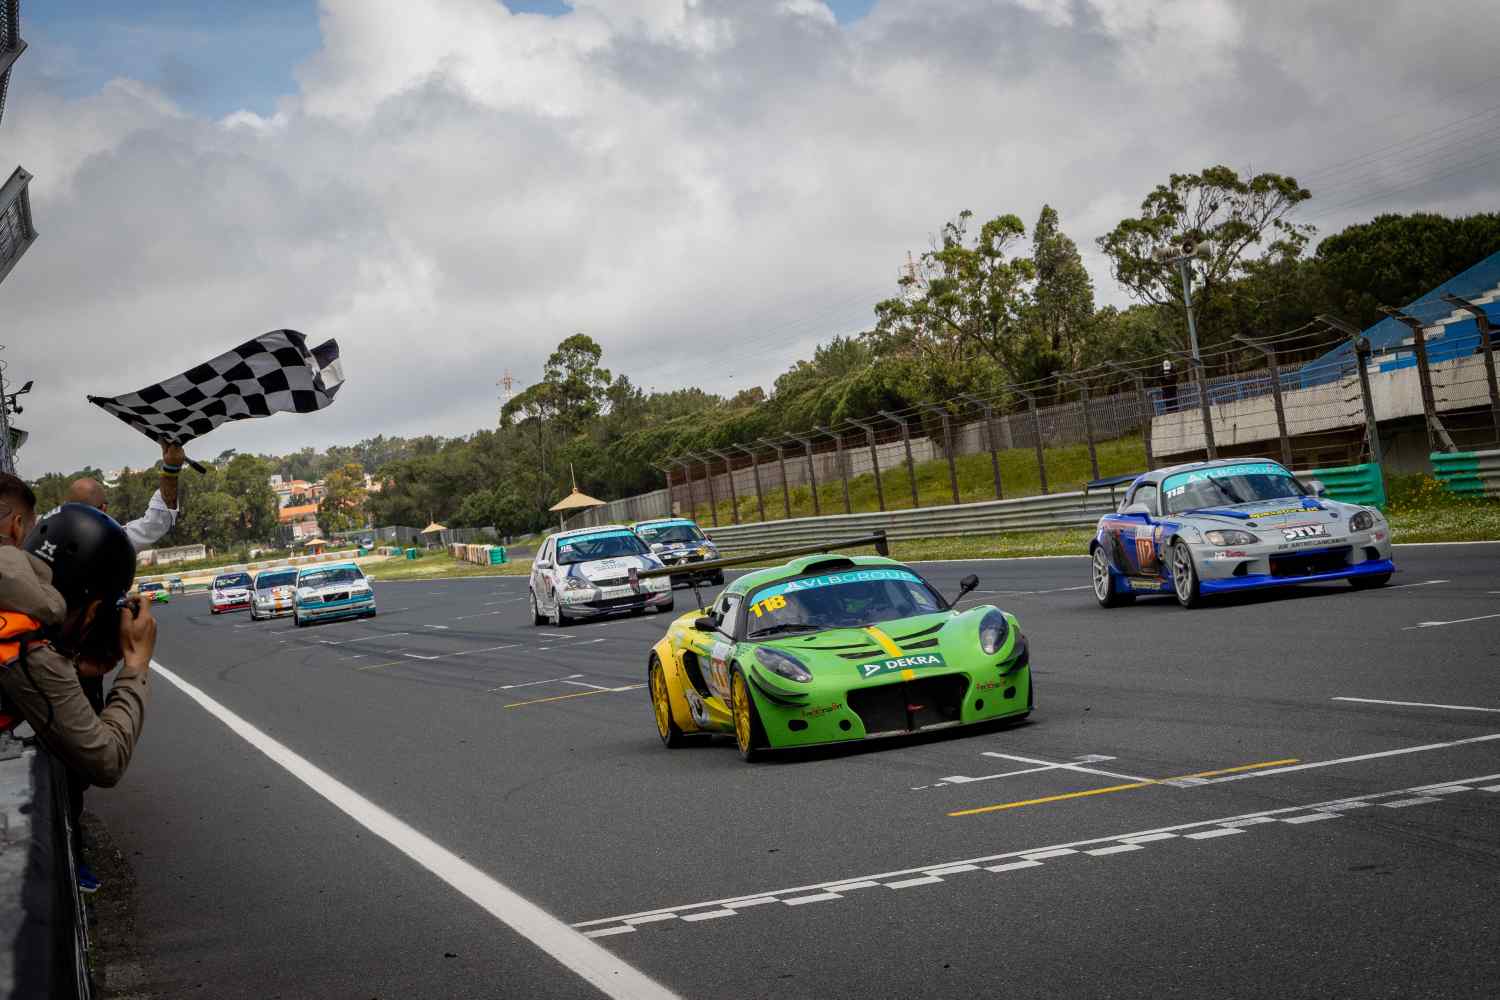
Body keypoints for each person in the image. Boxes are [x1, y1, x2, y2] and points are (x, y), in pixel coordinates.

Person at [0, 491, 155, 892]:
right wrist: (136, 665)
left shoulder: (12, 600)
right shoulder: (26, 648)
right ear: (93, 608)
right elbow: (104, 760)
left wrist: (71, 662)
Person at [62, 440, 185, 551]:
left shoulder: (52, 545)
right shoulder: (116, 542)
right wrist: (171, 468)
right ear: (103, 509)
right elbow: (157, 521)